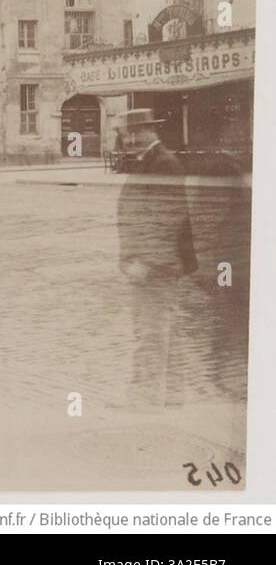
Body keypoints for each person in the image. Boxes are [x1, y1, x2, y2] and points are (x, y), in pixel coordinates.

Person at [115, 109, 196, 409]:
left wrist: (147, 261)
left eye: (127, 134)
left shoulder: (163, 164)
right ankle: (174, 395)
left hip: (155, 266)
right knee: (168, 330)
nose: (125, 141)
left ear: (141, 133)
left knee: (149, 331)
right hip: (159, 263)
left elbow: (167, 219)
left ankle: (144, 398)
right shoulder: (153, 161)